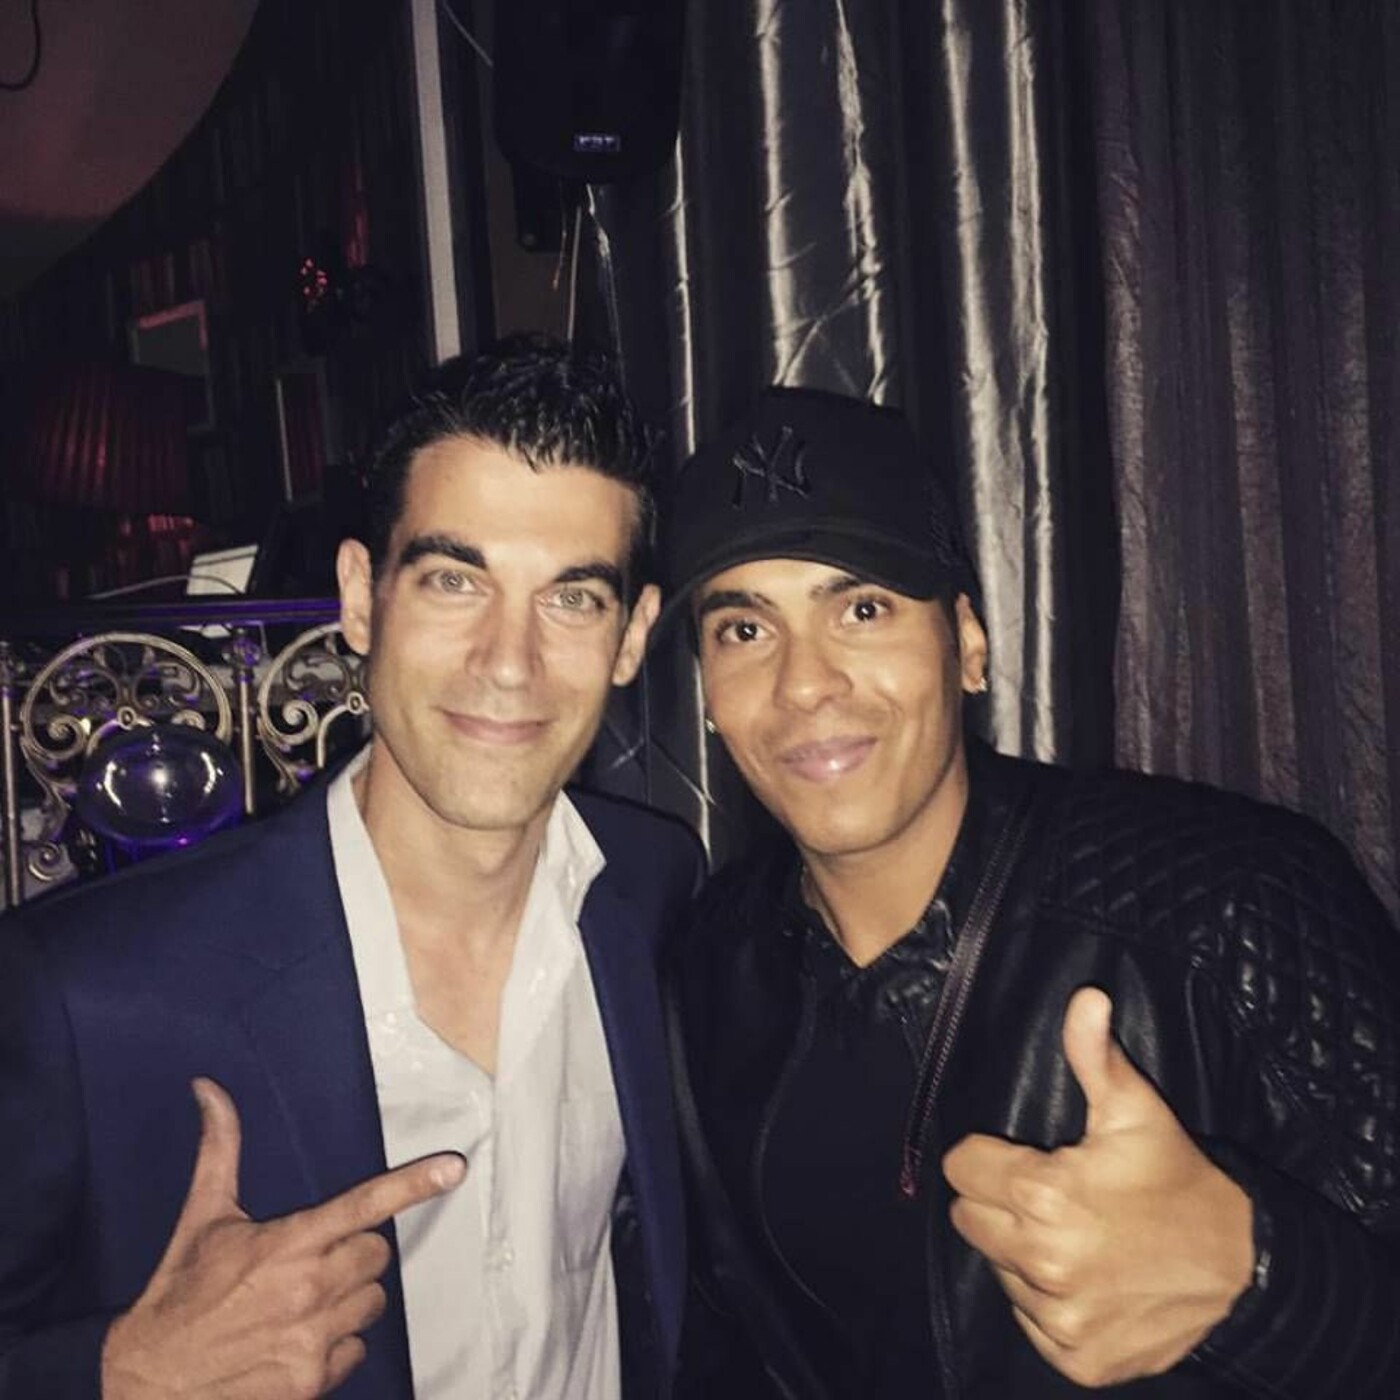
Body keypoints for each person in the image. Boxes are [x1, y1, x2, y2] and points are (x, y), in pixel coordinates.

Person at [656, 385, 1400, 1398]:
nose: (804, 684)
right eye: (744, 630)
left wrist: (1264, 1281)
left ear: (966, 643)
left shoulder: (1230, 902)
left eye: (862, 609)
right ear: (707, 690)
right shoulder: (705, 972)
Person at [0, 337, 702, 1400]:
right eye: (454, 580)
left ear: (633, 635)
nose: (508, 661)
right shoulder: (86, 993)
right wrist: (120, 1371)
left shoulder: (653, 892)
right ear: (361, 597)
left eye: (572, 598)